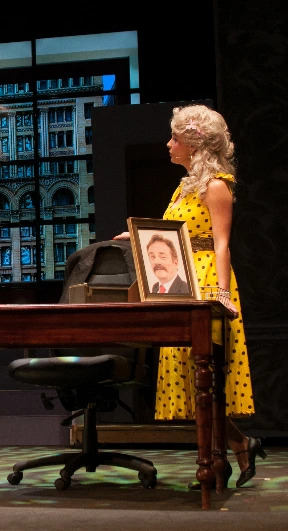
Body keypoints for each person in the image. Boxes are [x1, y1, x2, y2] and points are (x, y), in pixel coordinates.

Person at [114, 104, 262, 488]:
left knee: (207, 376)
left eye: (175, 138)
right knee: (191, 378)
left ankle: (217, 459)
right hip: (180, 280)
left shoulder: (216, 186)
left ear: (193, 144)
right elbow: (172, 232)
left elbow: (222, 243)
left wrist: (222, 294)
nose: (168, 144)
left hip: (207, 279)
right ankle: (233, 448)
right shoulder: (185, 187)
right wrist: (137, 236)